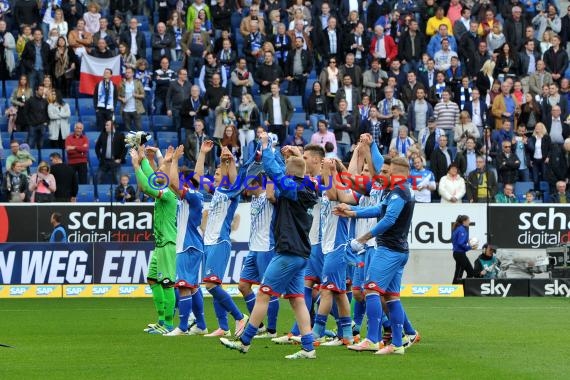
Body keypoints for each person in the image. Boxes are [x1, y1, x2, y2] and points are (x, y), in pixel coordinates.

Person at [220, 131, 318, 359]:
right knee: (297, 300)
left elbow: (272, 168)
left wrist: (266, 145)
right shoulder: (309, 187)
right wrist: (291, 155)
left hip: (288, 250)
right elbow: (285, 169)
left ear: (289, 175)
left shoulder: (292, 188)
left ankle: (244, 341)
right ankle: (308, 348)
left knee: (264, 293)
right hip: (301, 252)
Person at [336, 156, 419, 355]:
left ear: (396, 174)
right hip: (397, 250)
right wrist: (352, 212)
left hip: (389, 250)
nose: (380, 175)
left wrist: (364, 238)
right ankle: (397, 344)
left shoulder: (400, 192)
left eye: (385, 172)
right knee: (391, 297)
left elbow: (389, 219)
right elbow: (378, 209)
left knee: (371, 290)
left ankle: (373, 339)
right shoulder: (394, 191)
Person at [194, 140, 249, 337]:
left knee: (210, 284)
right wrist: (202, 153)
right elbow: (197, 177)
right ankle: (223, 327)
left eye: (217, 174)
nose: (214, 177)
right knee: (214, 285)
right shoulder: (216, 192)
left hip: (220, 241)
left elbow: (234, 178)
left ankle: (239, 317)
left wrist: (228, 162)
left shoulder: (232, 192)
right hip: (208, 242)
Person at [163, 145, 209, 336]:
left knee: (183, 286)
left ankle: (182, 327)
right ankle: (201, 325)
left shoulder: (191, 196)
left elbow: (172, 183)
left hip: (188, 244)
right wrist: (202, 154)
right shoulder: (194, 195)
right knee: (192, 287)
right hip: (192, 244)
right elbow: (176, 180)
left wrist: (174, 161)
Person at [132, 145, 177, 334]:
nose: (157, 173)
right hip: (159, 244)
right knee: (152, 279)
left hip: (167, 243)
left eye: (160, 171)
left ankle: (168, 324)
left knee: (167, 282)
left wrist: (136, 165)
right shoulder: (163, 188)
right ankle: (160, 321)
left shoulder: (168, 194)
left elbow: (147, 187)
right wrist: (143, 157)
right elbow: (150, 177)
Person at [236, 176, 279, 339]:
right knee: (243, 286)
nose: (245, 189)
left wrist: (269, 174)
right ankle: (259, 326)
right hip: (253, 248)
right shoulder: (253, 198)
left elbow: (270, 195)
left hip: (266, 247)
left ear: (256, 184)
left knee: (268, 290)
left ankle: (272, 330)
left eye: (248, 185)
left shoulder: (268, 197)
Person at [95, 120, 126, 186]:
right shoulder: (103, 134)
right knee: (97, 178)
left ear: (112, 126)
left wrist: (120, 159)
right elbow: (97, 147)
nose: (105, 127)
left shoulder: (120, 135)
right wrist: (99, 157)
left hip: (115, 161)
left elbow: (125, 148)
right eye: (105, 125)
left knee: (119, 180)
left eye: (107, 125)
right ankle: (95, 195)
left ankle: (120, 194)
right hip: (104, 161)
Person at [451, 214, 478, 284]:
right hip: (459, 254)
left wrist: (468, 242)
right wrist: (470, 247)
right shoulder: (461, 229)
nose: (469, 222)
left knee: (470, 272)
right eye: (468, 220)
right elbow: (460, 243)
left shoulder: (459, 229)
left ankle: (464, 288)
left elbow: (459, 242)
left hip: (460, 254)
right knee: (459, 273)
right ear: (464, 221)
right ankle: (455, 289)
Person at [118, 67, 146, 131]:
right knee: (128, 130)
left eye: (129, 72)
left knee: (139, 129)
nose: (127, 74)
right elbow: (117, 96)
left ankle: (139, 141)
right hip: (125, 110)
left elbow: (143, 95)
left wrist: (136, 95)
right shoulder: (122, 84)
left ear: (133, 73)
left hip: (136, 110)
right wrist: (122, 99)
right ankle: (130, 141)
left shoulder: (138, 83)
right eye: (126, 72)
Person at [25, 84, 49, 150]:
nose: (42, 91)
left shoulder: (45, 101)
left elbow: (47, 113)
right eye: (41, 90)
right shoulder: (30, 100)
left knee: (41, 144)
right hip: (32, 125)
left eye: (43, 90)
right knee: (30, 143)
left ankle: (40, 157)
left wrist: (46, 122)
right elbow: (25, 113)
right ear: (36, 91)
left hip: (42, 125)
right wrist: (29, 123)